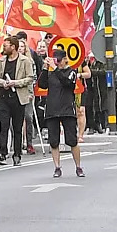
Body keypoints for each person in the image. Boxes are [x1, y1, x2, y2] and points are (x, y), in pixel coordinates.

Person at [40, 42, 85, 178]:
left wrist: (56, 69)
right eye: (55, 60)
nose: (57, 63)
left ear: (65, 60)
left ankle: (78, 166)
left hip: (66, 110)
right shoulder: (51, 72)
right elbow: (42, 84)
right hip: (52, 110)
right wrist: (45, 69)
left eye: (59, 60)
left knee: (72, 140)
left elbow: (67, 83)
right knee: (54, 141)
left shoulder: (71, 72)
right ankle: (57, 167)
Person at [0, 35, 35, 165]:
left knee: (17, 127)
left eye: (6, 46)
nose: (4, 48)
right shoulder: (2, 61)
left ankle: (17, 154)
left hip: (18, 98)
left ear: (13, 47)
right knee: (3, 125)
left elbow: (30, 78)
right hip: (4, 97)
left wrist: (16, 83)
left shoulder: (25, 61)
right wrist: (2, 83)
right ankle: (3, 153)